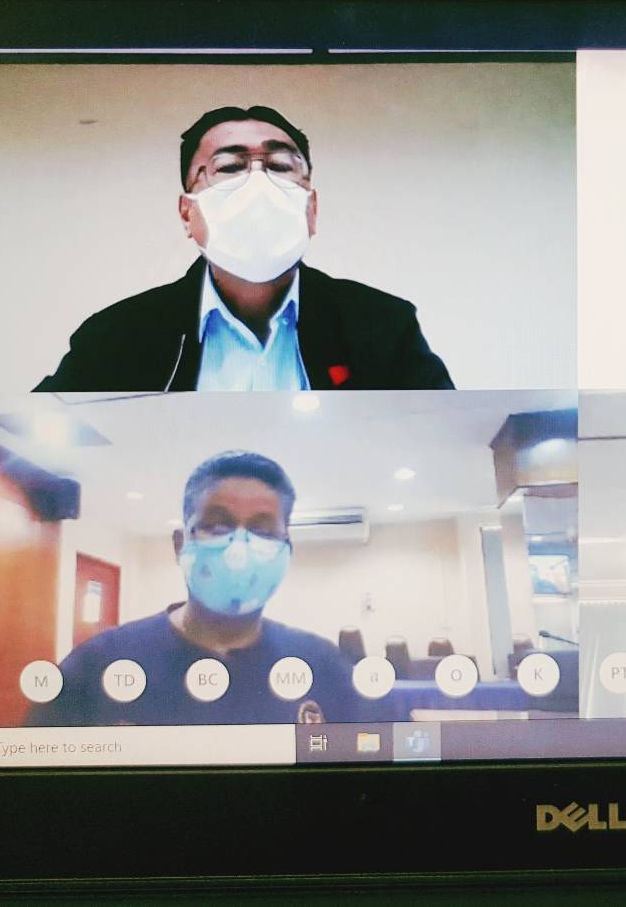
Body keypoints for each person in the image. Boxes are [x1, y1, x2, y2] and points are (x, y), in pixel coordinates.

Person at [35, 105, 453, 391]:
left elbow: (439, 439)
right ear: (187, 213)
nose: (258, 185)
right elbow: (33, 450)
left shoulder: (382, 325)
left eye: (281, 166)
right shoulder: (117, 336)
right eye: (230, 167)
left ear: (311, 209)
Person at [26, 451, 374, 725]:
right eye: (218, 526)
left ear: (287, 551)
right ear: (180, 545)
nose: (239, 551)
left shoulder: (326, 667)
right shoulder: (96, 666)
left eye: (262, 530)